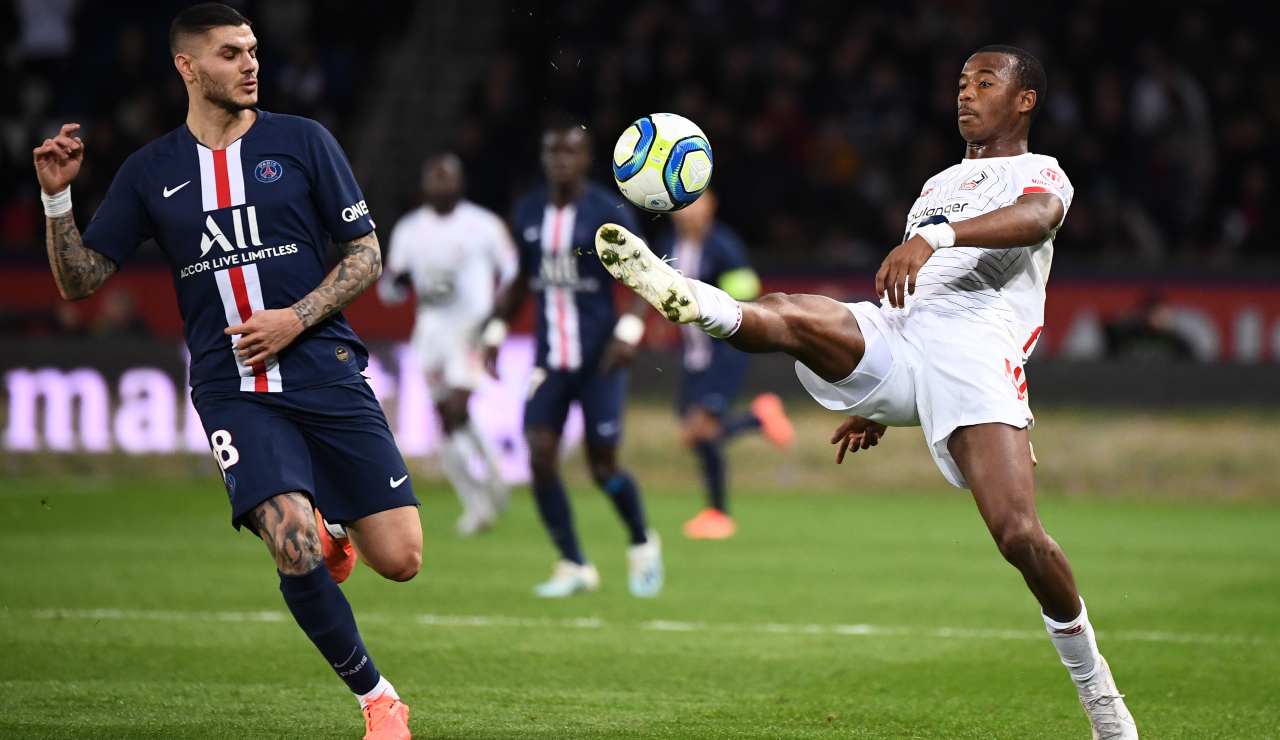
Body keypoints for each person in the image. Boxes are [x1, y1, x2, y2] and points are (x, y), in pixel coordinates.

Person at [594, 46, 1138, 739]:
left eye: (985, 82)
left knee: (1019, 536)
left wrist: (934, 238)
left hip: (976, 348)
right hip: (901, 334)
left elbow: (1038, 219)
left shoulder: (1040, 172)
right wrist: (876, 402)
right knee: (792, 313)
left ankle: (1099, 694)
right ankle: (690, 298)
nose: (966, 94)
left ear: (1025, 100)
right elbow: (916, 289)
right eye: (961, 83)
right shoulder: (937, 184)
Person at [32, 5, 417, 738]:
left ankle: (335, 523)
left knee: (400, 560)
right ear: (187, 67)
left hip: (324, 366)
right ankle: (378, 700)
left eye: (253, 50)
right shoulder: (151, 171)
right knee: (292, 544)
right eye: (231, 53)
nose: (250, 64)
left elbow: (366, 253)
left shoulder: (302, 141)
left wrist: (295, 318)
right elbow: (80, 280)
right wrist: (57, 198)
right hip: (231, 386)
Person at [483, 119, 663, 598]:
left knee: (603, 467)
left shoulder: (607, 212)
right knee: (540, 455)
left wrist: (629, 330)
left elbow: (646, 276)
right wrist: (496, 330)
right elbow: (521, 279)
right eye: (553, 152)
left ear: (586, 159)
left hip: (601, 360)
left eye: (570, 152)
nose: (560, 161)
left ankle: (642, 540)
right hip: (550, 359)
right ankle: (573, 562)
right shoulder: (529, 210)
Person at [378, 153, 517, 535]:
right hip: (431, 333)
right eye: (435, 178)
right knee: (446, 418)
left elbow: (512, 271)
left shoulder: (483, 225)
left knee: (457, 407)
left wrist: (497, 318)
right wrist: (398, 283)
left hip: (470, 328)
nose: (441, 185)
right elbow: (389, 288)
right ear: (425, 185)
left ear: (460, 182)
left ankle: (493, 480)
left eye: (448, 177)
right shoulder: (410, 229)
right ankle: (478, 502)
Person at [656, 191, 794, 540]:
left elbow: (745, 301)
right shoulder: (669, 245)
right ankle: (757, 419)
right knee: (694, 434)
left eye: (697, 204)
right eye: (684, 206)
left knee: (702, 431)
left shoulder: (725, 247)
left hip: (723, 353)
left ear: (711, 206)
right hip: (694, 356)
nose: (689, 213)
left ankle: (718, 514)